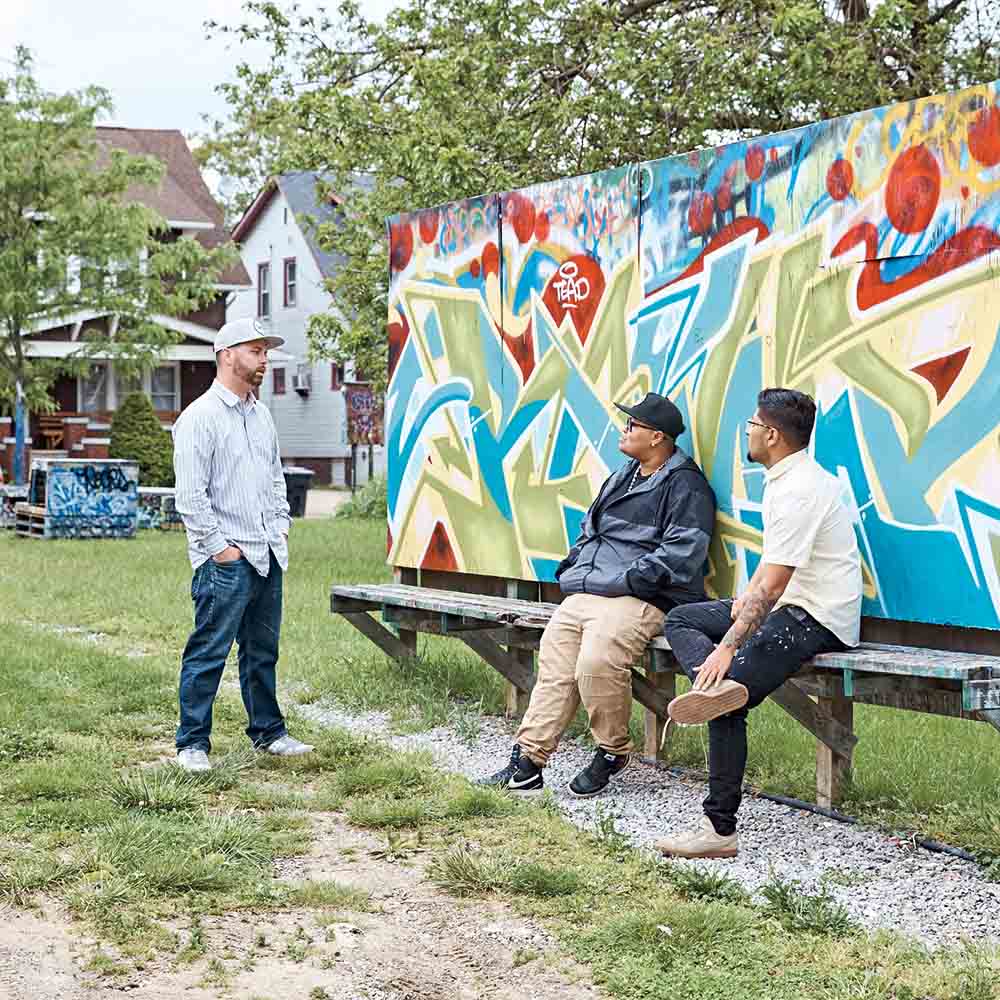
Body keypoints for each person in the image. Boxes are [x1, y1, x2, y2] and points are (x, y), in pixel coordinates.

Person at [656, 387, 862, 859]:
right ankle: (714, 687)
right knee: (682, 618)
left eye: (751, 425)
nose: (745, 432)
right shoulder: (784, 479)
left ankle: (718, 830)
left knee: (728, 705)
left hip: (815, 615)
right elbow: (768, 576)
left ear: (771, 435)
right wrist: (743, 603)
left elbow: (774, 586)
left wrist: (729, 645)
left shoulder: (801, 489)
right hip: (786, 602)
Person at [477, 393, 716, 797]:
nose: (624, 431)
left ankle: (612, 750)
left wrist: (624, 579)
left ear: (657, 437)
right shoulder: (624, 474)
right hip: (592, 590)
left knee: (596, 662)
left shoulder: (686, 485)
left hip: (645, 596)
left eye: (632, 426)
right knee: (555, 662)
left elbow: (682, 554)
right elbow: (591, 530)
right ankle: (528, 763)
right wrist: (577, 568)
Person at [172, 317, 313, 771]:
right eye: (255, 350)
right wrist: (220, 549)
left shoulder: (261, 415)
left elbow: (275, 480)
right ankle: (192, 744)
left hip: (266, 553)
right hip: (226, 561)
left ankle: (268, 733)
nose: (264, 359)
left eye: (266, 351)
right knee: (209, 650)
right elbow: (191, 497)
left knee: (262, 652)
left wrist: (280, 529)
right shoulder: (199, 419)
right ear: (226, 354)